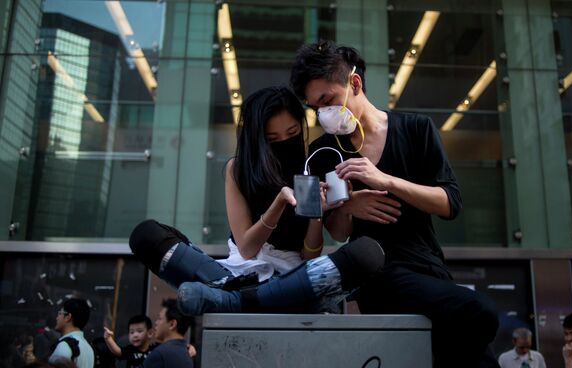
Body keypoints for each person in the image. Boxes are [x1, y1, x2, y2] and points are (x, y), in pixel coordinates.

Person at [288, 40, 499, 368]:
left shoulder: (416, 129)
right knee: (479, 312)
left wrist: (385, 180)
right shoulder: (324, 151)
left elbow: (450, 203)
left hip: (429, 267)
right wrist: (344, 205)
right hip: (377, 274)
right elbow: (340, 234)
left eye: (327, 100)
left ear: (354, 84)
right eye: (315, 107)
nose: (322, 113)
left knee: (473, 355)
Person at [129, 87, 385, 315]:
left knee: (366, 255)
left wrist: (319, 214)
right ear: (258, 139)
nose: (285, 142)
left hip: (290, 276)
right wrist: (279, 203)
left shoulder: (311, 167)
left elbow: (310, 256)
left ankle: (233, 301)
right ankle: (258, 299)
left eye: (293, 132)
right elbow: (247, 249)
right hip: (235, 272)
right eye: (273, 139)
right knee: (146, 236)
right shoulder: (238, 169)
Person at [143, 299, 193, 368]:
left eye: (160, 318)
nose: (156, 323)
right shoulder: (188, 353)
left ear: (172, 324)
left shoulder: (160, 354)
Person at [49, 298, 94, 368]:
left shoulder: (64, 346)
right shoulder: (89, 348)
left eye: (60, 313)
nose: (57, 318)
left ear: (68, 317)